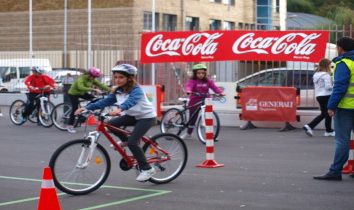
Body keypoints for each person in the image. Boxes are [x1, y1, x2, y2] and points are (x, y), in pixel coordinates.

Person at [74, 64, 157, 182]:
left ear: (129, 78)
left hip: (146, 117)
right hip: (132, 115)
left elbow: (131, 101)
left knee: (133, 143)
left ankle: (147, 169)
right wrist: (87, 108)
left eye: (121, 77)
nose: (117, 80)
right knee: (110, 124)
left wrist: (120, 109)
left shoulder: (136, 89)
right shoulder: (118, 91)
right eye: (116, 77)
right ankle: (125, 141)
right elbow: (105, 101)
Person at [313, 36, 354, 181]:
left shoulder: (344, 62)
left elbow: (340, 86)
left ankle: (335, 171)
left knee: (342, 141)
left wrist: (331, 106)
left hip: (346, 108)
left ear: (340, 48)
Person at [182, 63, 225, 139]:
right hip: (194, 101)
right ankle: (189, 134)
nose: (201, 75)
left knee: (208, 117)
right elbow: (189, 86)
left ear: (205, 73)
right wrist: (188, 91)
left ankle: (211, 135)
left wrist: (220, 93)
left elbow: (215, 88)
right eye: (198, 73)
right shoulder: (193, 81)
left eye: (202, 73)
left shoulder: (208, 81)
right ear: (195, 73)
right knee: (193, 118)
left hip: (206, 100)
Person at [66, 67, 110, 133]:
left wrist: (111, 90)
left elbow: (101, 85)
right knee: (75, 109)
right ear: (89, 75)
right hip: (73, 93)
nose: (94, 78)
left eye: (95, 77)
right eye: (93, 77)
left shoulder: (92, 79)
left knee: (95, 99)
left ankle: (85, 111)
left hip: (82, 93)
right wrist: (94, 89)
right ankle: (70, 126)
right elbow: (80, 87)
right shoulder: (81, 78)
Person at [303, 58, 334, 137]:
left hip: (319, 96)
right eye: (330, 65)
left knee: (326, 113)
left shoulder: (316, 74)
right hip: (326, 95)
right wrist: (334, 86)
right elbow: (328, 87)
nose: (331, 67)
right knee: (326, 113)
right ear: (327, 66)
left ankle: (328, 130)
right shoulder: (326, 75)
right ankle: (310, 126)